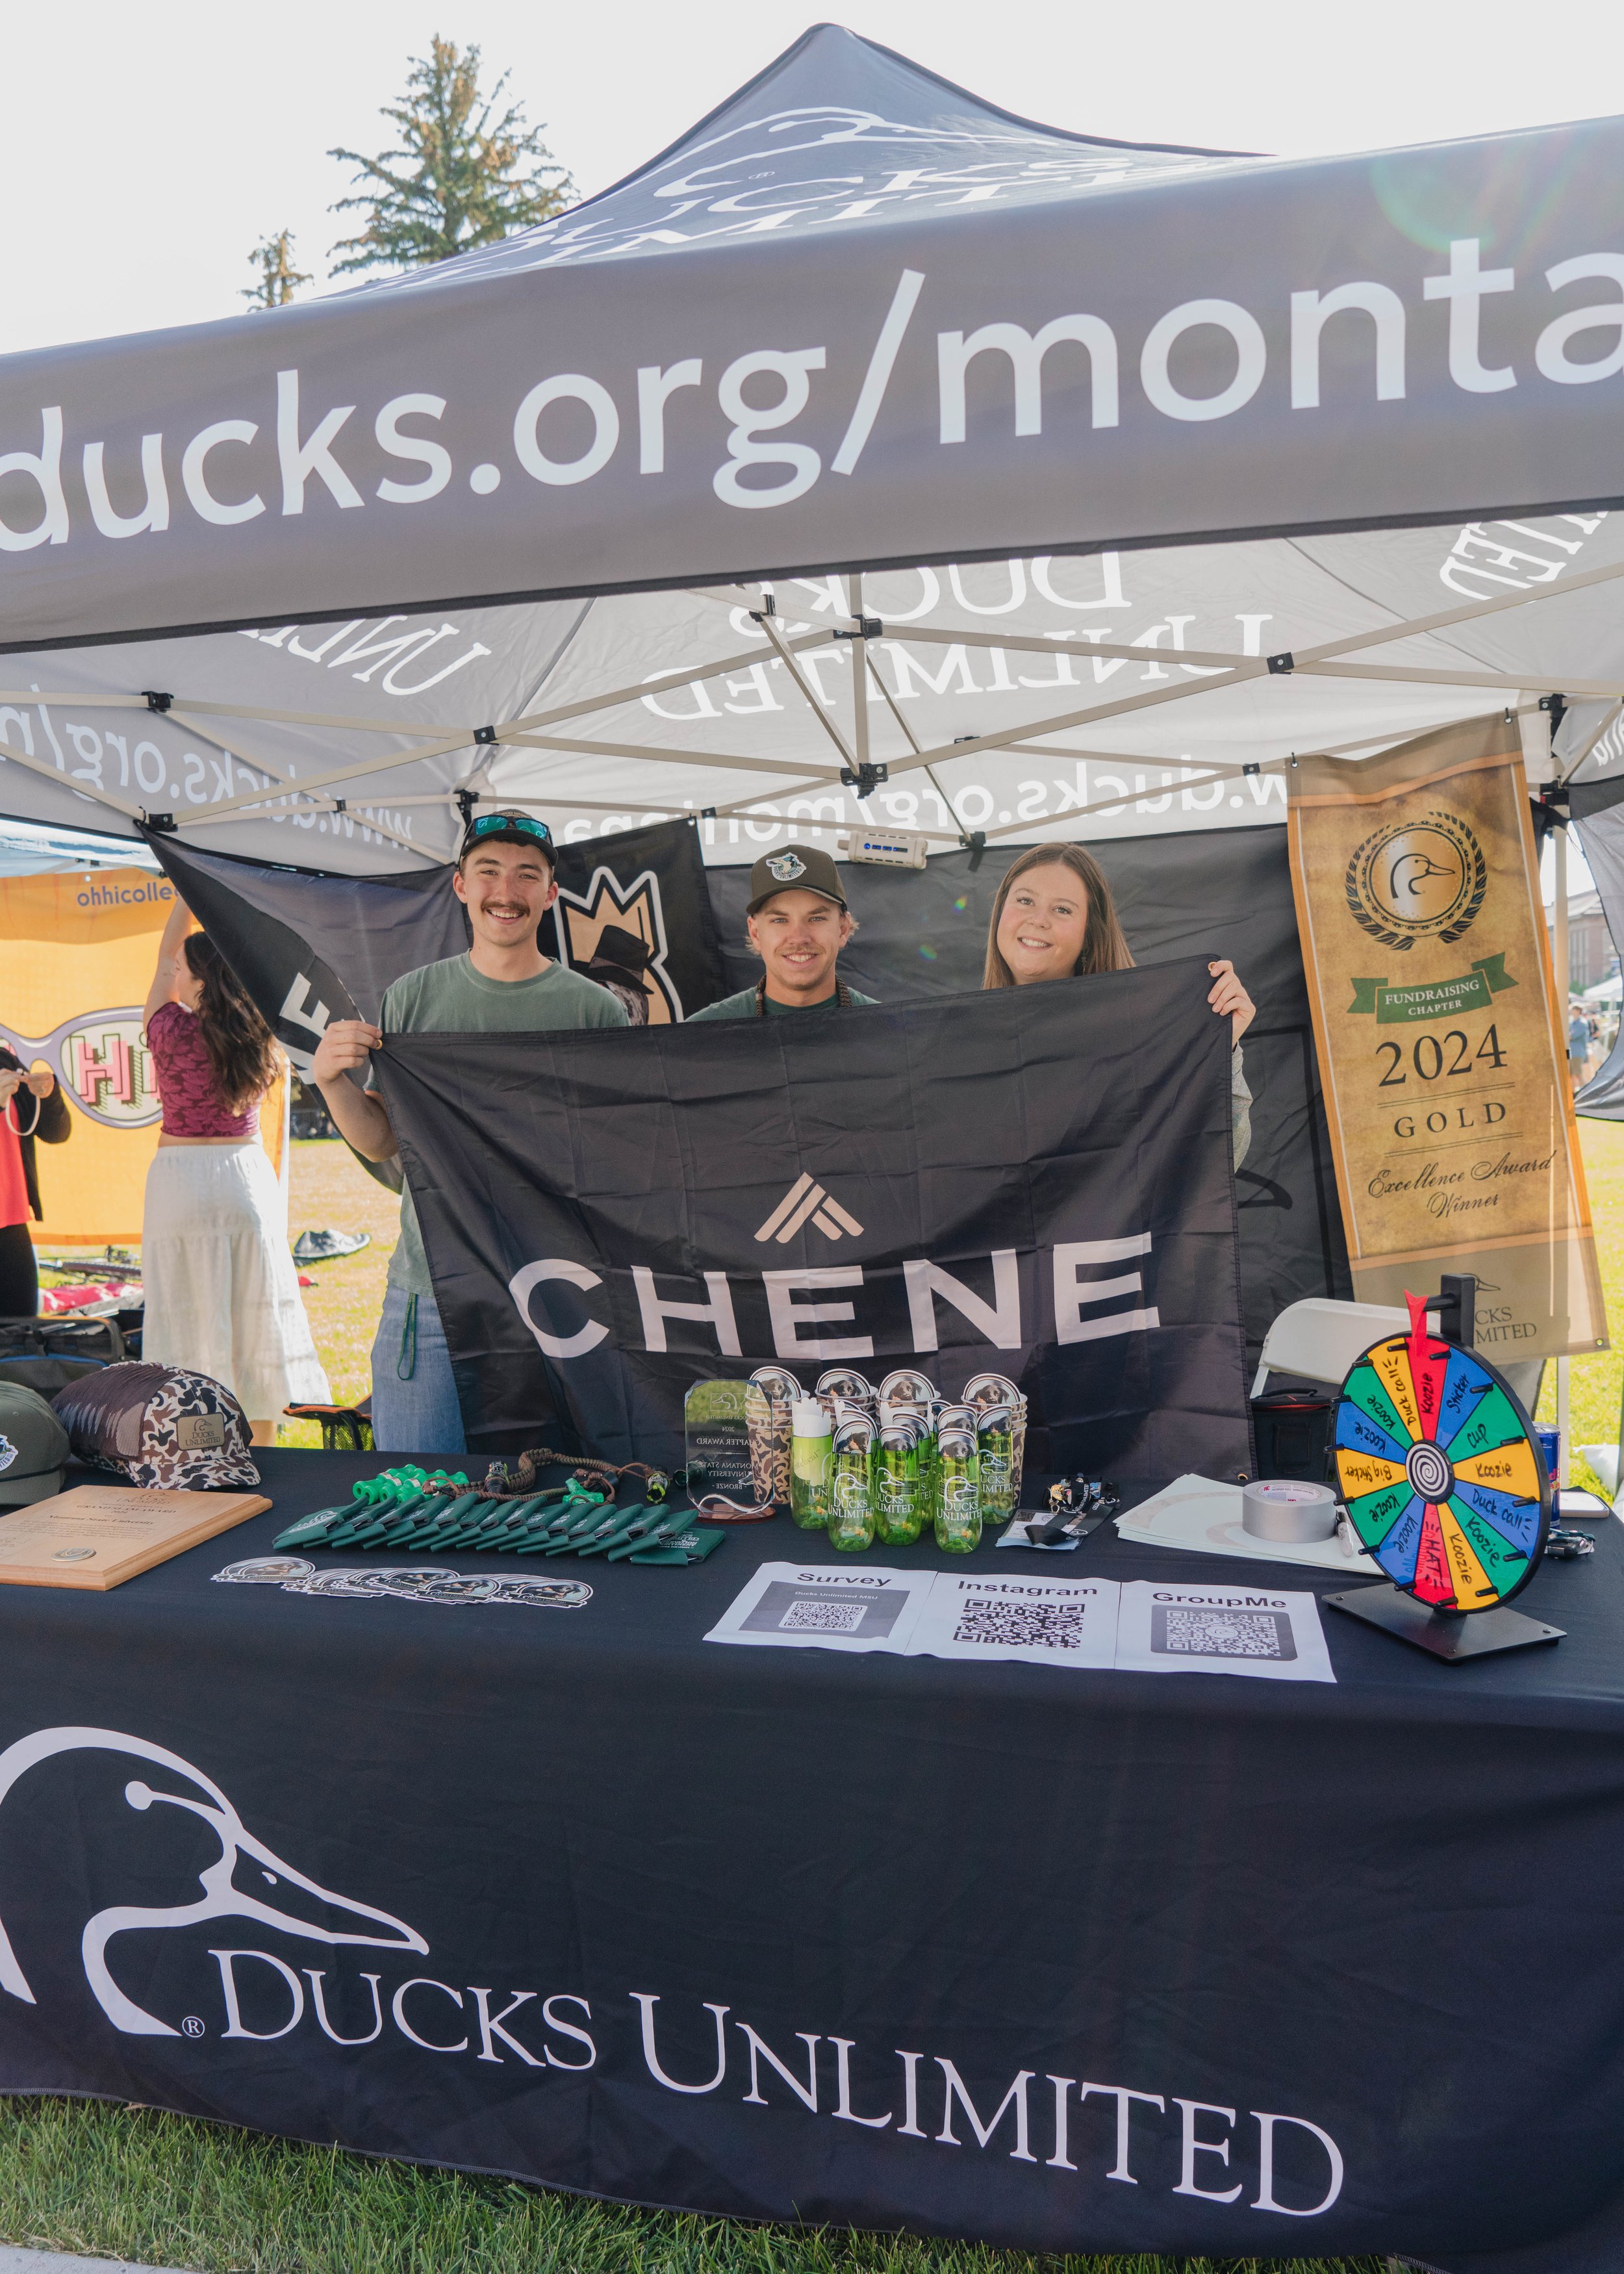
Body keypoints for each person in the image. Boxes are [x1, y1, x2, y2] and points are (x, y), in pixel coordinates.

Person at [310, 809, 629, 1455]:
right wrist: (331, 1082)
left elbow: (614, 1158)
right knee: (418, 1491)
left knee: (559, 1494)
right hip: (433, 1290)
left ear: (550, 893)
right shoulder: (412, 998)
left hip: (556, 1291)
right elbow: (385, 1142)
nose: (505, 891)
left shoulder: (593, 1010)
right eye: (488, 872)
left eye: (526, 875)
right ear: (460, 885)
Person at [141, 898, 331, 1442]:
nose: (176, 974)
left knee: (183, 1313)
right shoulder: (257, 1032)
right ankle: (263, 1449)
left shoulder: (167, 1027)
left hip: (180, 1180)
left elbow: (163, 960)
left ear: (200, 981)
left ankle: (197, 1446)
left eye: (185, 970)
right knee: (256, 1315)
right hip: (244, 1179)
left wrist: (186, 897)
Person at [983, 843, 1255, 1167]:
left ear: (1088, 934)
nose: (1039, 920)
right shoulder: (963, 1046)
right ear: (1000, 912)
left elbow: (1214, 1164)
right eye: (1025, 900)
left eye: (1063, 909)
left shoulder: (1138, 1037)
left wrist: (1220, 1050)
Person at [689, 846, 878, 1020]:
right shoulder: (702, 1033)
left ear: (843, 929)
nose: (799, 938)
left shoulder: (886, 1030)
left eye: (816, 918)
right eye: (779, 920)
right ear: (755, 933)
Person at [0, 1043, 70, 1320]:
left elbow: (56, 1133)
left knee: (22, 1333)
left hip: (11, 1223)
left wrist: (49, 1095)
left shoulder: (5, 1061)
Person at [1569, 1005, 1592, 1093]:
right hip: (1572, 1052)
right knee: (1573, 1075)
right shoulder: (1572, 1022)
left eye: (1573, 1010)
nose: (1571, 1011)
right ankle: (1572, 1094)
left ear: (1578, 1011)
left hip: (1577, 1053)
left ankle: (1587, 1093)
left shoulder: (1581, 1023)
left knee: (1578, 1074)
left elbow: (1571, 1036)